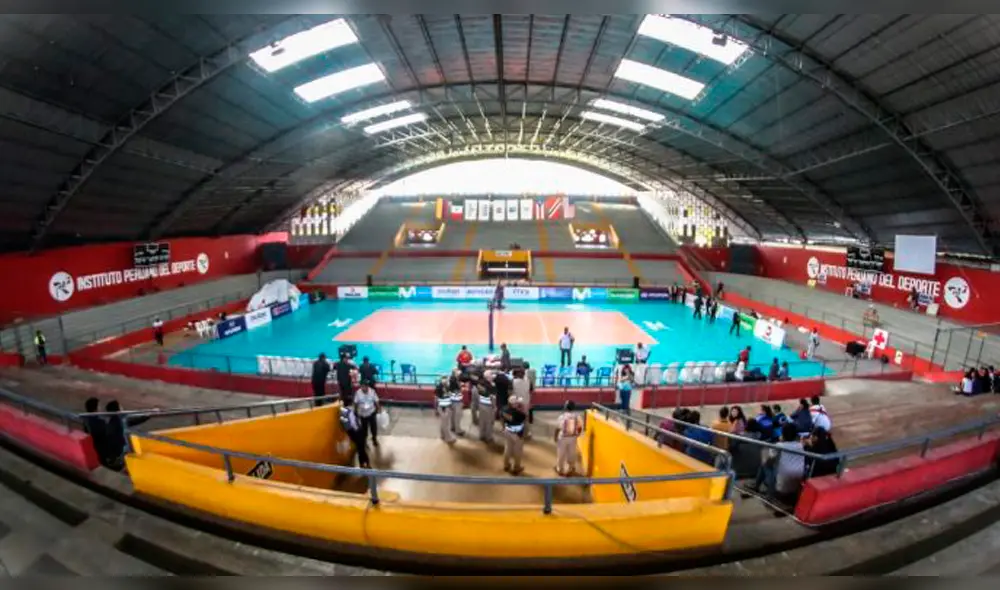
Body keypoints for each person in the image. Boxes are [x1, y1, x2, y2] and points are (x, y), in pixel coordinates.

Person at [751, 423, 805, 501]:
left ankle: (764, 491)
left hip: (781, 488)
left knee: (764, 463)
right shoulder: (800, 445)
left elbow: (767, 461)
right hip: (796, 487)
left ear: (783, 434)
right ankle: (758, 486)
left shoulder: (779, 445)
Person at [103, 400, 150, 471]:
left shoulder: (115, 421)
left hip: (118, 453)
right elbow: (134, 420)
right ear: (118, 410)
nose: (122, 408)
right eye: (120, 407)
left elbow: (134, 420)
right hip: (120, 454)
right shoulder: (118, 422)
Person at [555, 400, 583, 476]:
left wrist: (555, 437)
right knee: (571, 453)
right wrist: (577, 435)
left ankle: (560, 469)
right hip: (573, 438)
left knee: (561, 453)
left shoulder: (562, 417)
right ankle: (571, 468)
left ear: (565, 407)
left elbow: (557, 428)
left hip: (563, 438)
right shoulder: (577, 417)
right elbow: (580, 428)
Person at [501, 397, 528, 475]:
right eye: (516, 403)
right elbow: (525, 419)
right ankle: (516, 468)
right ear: (514, 404)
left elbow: (501, 419)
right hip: (517, 434)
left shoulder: (504, 409)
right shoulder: (519, 414)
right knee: (517, 451)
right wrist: (523, 408)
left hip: (507, 431)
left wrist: (503, 427)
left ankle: (506, 465)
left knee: (507, 449)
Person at [339, 402, 370, 468]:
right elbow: (354, 423)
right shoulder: (351, 411)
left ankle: (362, 464)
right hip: (357, 432)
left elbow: (343, 422)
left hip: (351, 433)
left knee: (360, 449)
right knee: (361, 449)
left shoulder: (342, 411)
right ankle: (366, 463)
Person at [354, 382, 381, 448]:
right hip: (362, 414)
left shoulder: (372, 392)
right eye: (362, 387)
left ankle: (374, 439)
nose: (363, 388)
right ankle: (365, 441)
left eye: (364, 387)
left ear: (367, 387)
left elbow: (376, 401)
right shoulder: (358, 393)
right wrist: (355, 412)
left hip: (371, 412)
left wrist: (378, 409)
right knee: (364, 429)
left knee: (373, 428)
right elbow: (355, 403)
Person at [434, 377, 456, 443]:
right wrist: (436, 409)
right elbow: (436, 399)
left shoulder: (446, 387)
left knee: (443, 422)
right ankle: (448, 438)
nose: (446, 381)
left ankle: (442, 435)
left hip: (445, 407)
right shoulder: (439, 388)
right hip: (443, 408)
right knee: (446, 424)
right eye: (445, 380)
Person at [477, 373, 497, 444]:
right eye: (491, 375)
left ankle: (481, 435)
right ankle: (489, 437)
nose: (493, 376)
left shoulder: (479, 383)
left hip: (481, 404)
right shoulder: (491, 386)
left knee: (482, 421)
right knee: (489, 422)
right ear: (488, 377)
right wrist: (494, 407)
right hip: (489, 406)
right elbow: (493, 397)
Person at [512, 368, 531, 437]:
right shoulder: (527, 381)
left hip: (517, 403)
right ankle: (526, 433)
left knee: (517, 419)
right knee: (525, 419)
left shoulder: (514, 382)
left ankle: (517, 432)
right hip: (525, 402)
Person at [448, 370, 465, 436]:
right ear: (455, 373)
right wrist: (461, 388)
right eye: (458, 371)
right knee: (458, 416)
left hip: (452, 400)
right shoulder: (454, 381)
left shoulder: (451, 379)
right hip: (457, 401)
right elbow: (457, 390)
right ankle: (458, 430)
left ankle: (452, 427)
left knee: (453, 415)